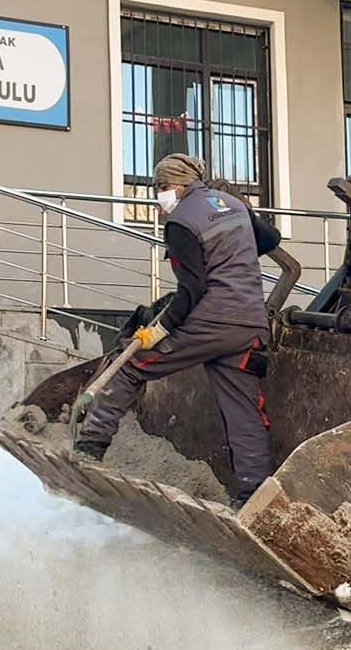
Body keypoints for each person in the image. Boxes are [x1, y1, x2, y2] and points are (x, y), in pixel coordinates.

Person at [74, 153, 281, 509]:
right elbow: (270, 238)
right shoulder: (232, 204)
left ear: (180, 185)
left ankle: (89, 447)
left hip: (213, 321)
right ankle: (252, 495)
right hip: (249, 323)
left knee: (132, 366)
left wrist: (160, 330)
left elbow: (192, 290)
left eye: (162, 187)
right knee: (243, 409)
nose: (159, 196)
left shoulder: (182, 221)